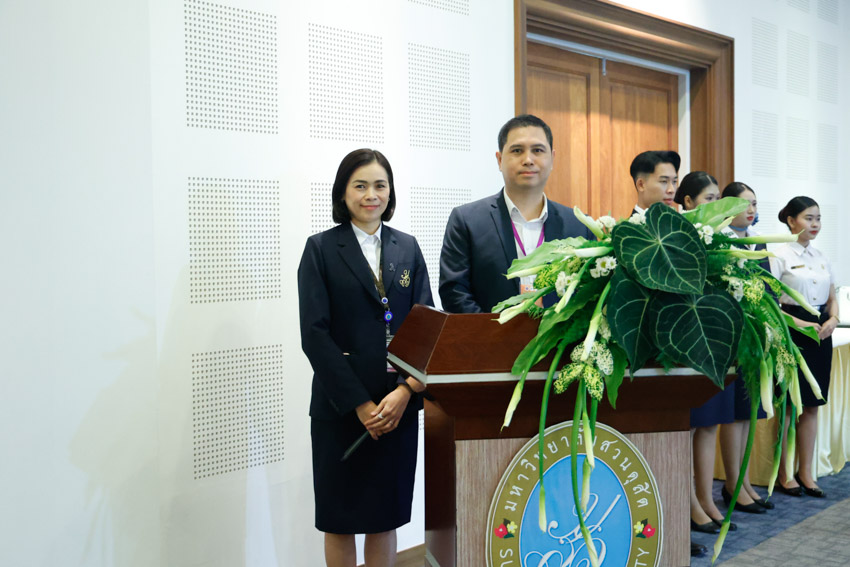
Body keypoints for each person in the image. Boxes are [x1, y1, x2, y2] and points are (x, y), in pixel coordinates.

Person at [298, 149, 433, 567]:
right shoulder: (321, 249)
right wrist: (360, 404)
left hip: (397, 407)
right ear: (343, 192)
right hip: (341, 408)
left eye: (380, 185)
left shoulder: (407, 247)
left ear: (390, 192)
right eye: (360, 185)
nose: (371, 194)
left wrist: (406, 392)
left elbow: (427, 328)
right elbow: (314, 335)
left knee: (384, 518)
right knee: (339, 520)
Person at [439, 114, 594, 314]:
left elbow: (588, 293)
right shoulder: (467, 220)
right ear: (499, 160)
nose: (528, 160)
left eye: (537, 150)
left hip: (558, 335)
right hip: (488, 334)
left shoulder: (579, 225)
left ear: (552, 159)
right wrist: (495, 331)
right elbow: (454, 293)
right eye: (517, 150)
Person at [674, 173, 741, 543]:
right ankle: (688, 503)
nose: (717, 204)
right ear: (688, 202)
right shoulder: (681, 232)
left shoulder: (723, 236)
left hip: (718, 339)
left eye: (719, 197)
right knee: (690, 426)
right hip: (690, 339)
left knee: (711, 424)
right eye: (709, 198)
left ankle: (705, 499)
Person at [771, 196, 838, 499]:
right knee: (788, 405)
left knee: (812, 404)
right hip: (791, 332)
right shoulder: (778, 255)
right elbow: (770, 303)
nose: (815, 224)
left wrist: (833, 319)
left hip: (821, 332)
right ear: (791, 220)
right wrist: (799, 324)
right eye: (809, 218)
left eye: (818, 218)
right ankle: (785, 474)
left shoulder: (821, 256)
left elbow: (832, 296)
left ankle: (806, 472)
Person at [718, 182, 774, 512]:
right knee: (732, 414)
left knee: (747, 413)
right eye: (744, 204)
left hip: (755, 338)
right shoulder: (721, 241)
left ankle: (743, 482)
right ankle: (732, 484)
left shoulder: (758, 240)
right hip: (732, 338)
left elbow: (767, 288)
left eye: (754, 203)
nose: (751, 209)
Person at [629, 150, 681, 215]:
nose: (672, 190)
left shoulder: (678, 221)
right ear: (641, 185)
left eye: (674, 181)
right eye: (664, 181)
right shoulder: (629, 222)